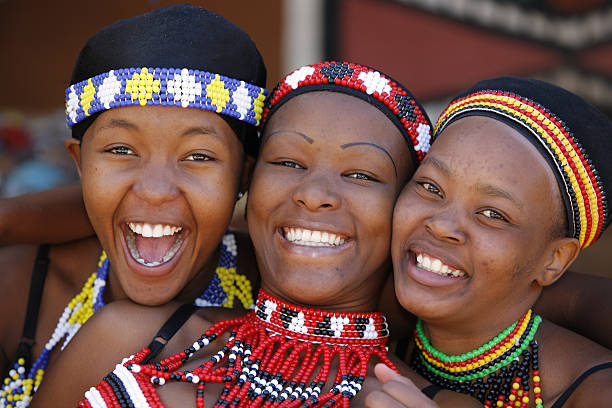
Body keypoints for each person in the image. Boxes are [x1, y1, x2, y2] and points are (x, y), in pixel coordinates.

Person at [31, 62, 479, 408]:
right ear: (248, 182)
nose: (315, 195)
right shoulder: (128, 338)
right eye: (287, 163)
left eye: (361, 174)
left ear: (405, 209)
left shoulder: (436, 404)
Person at [0, 5, 266, 407]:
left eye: (198, 156)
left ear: (243, 178)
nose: (156, 190)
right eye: (121, 149)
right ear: (80, 163)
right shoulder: (17, 289)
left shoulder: (276, 293)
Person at [385, 77, 612, 407]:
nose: (442, 225)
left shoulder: (592, 394)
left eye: (493, 214)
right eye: (431, 187)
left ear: (555, 260)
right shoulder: (367, 330)